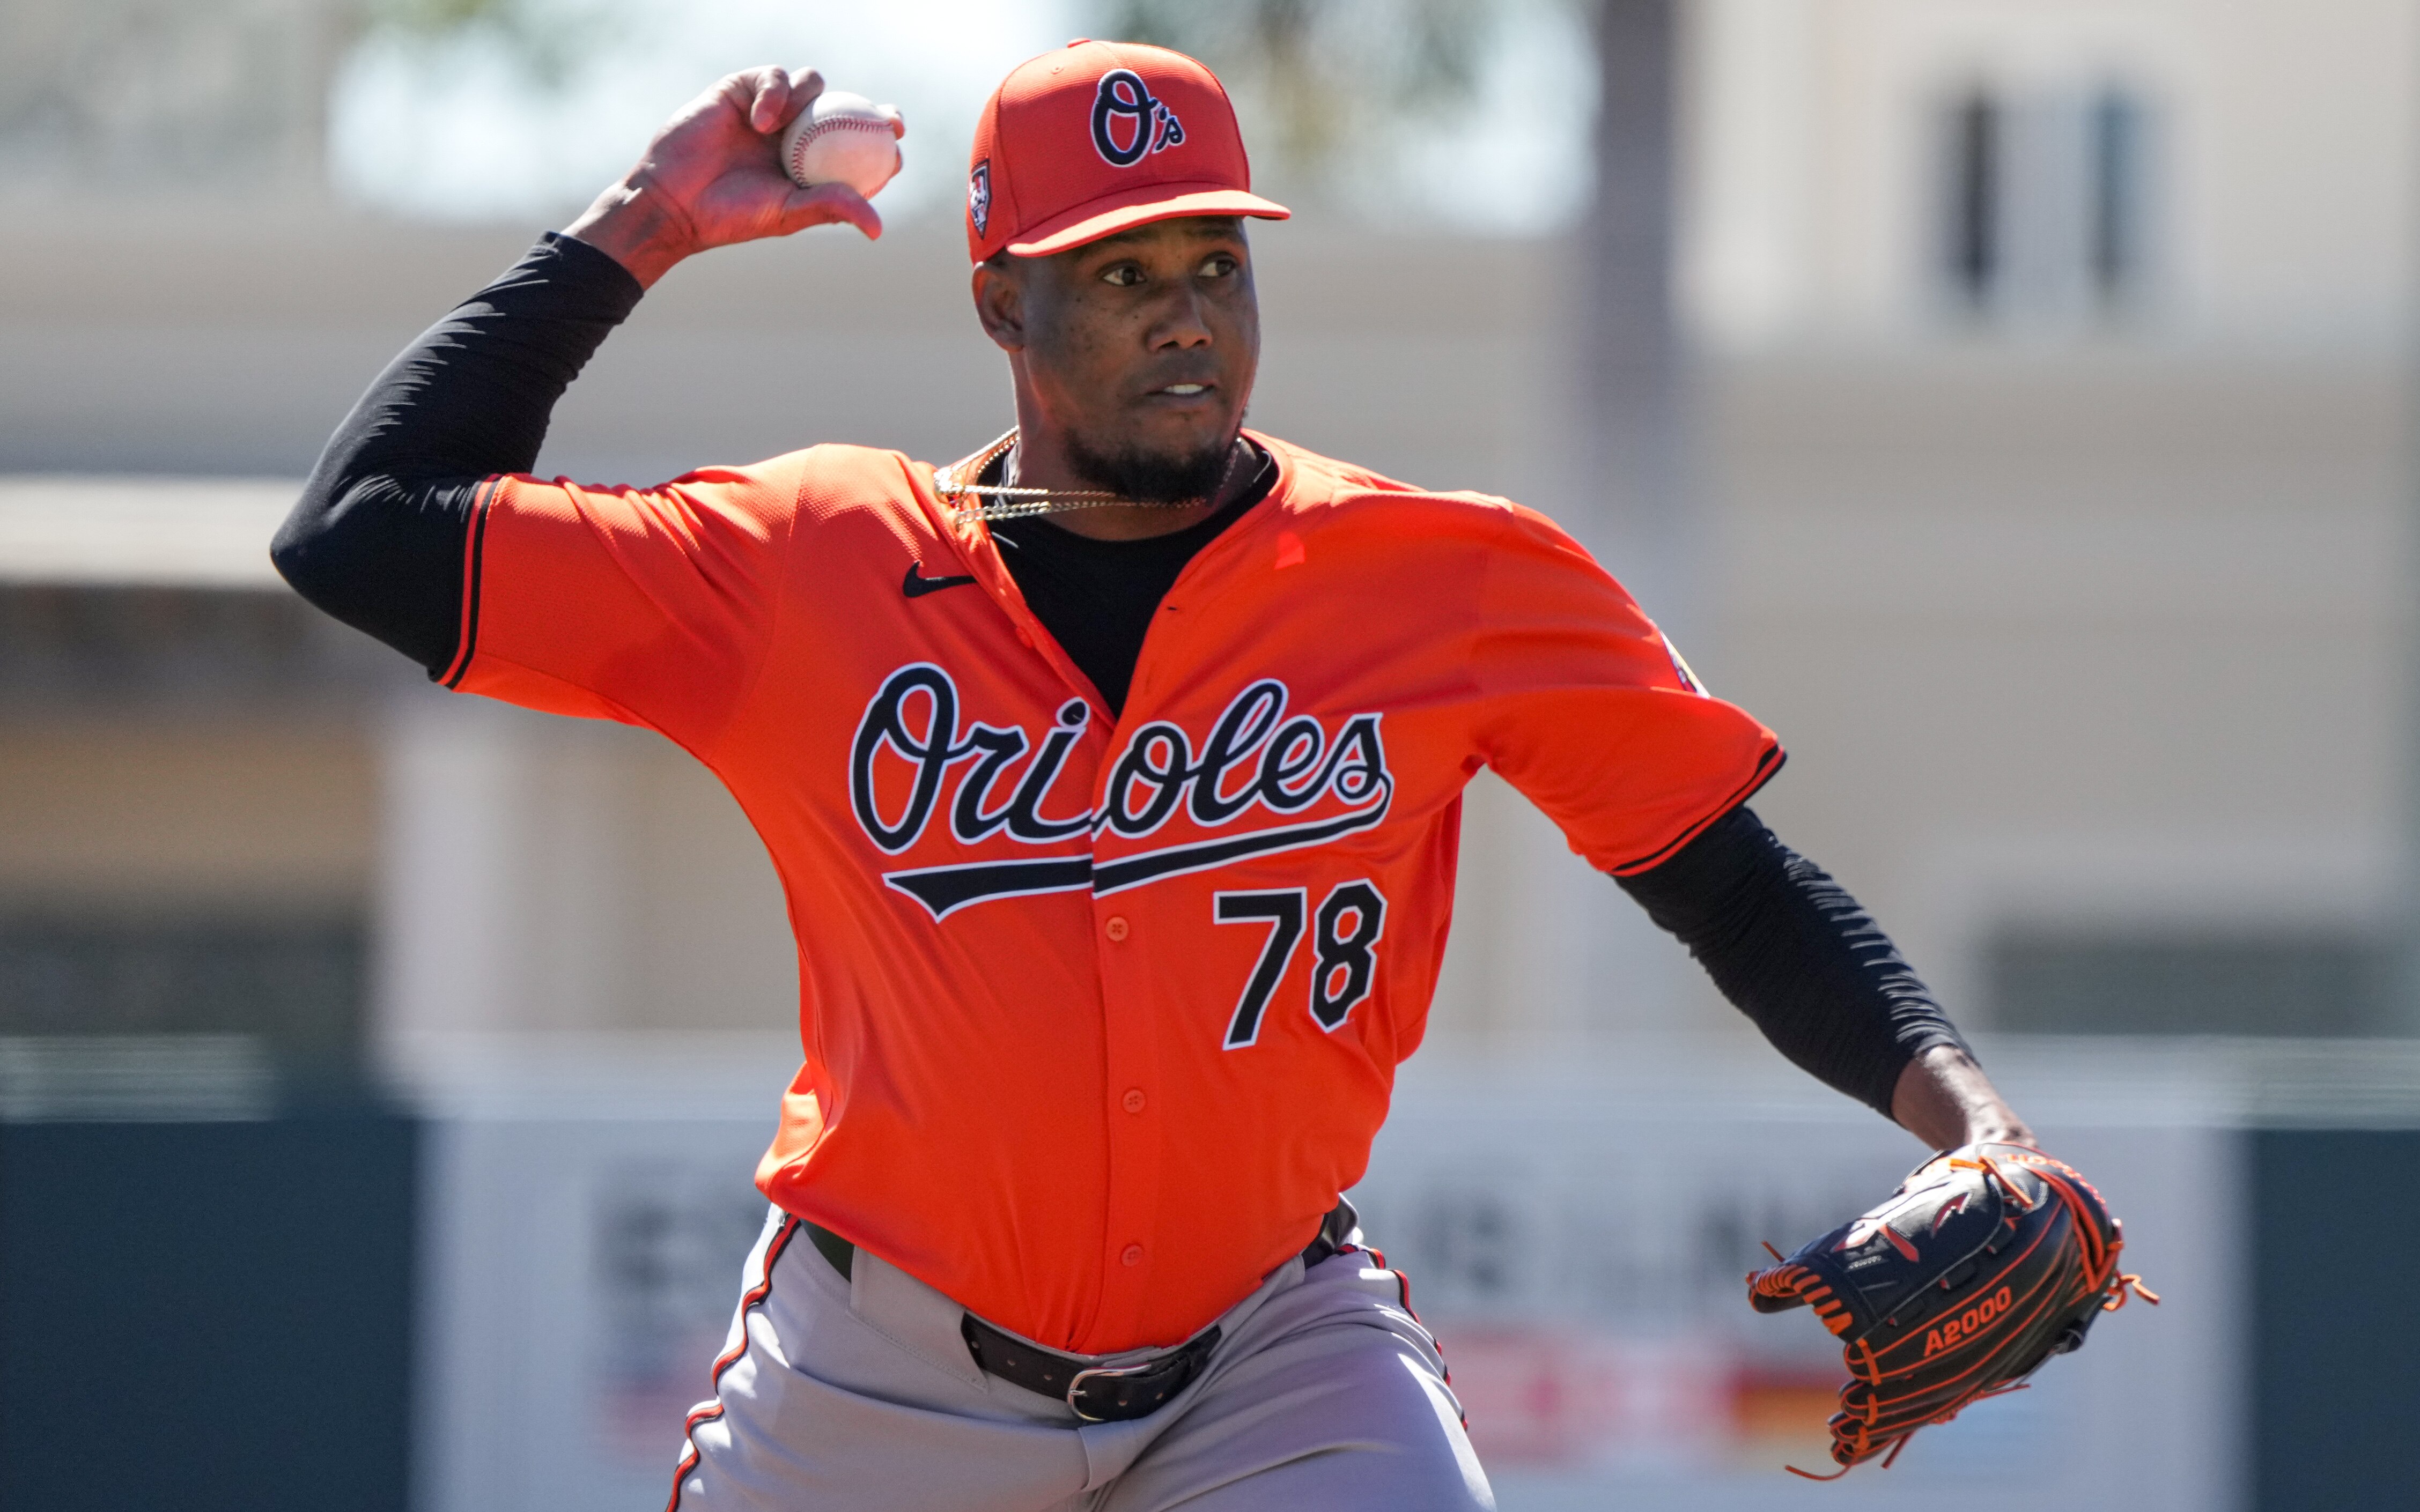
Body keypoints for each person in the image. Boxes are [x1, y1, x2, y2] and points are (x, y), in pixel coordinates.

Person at [274, 40, 2034, 1512]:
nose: (1185, 316)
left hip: (1268, 1356)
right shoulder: (802, 563)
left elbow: (1724, 875)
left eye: (1215, 263)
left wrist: (1981, 1128)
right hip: (884, 1378)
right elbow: (361, 532)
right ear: (1001, 306)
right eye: (1120, 275)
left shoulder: (1443, 582)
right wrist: (643, 228)